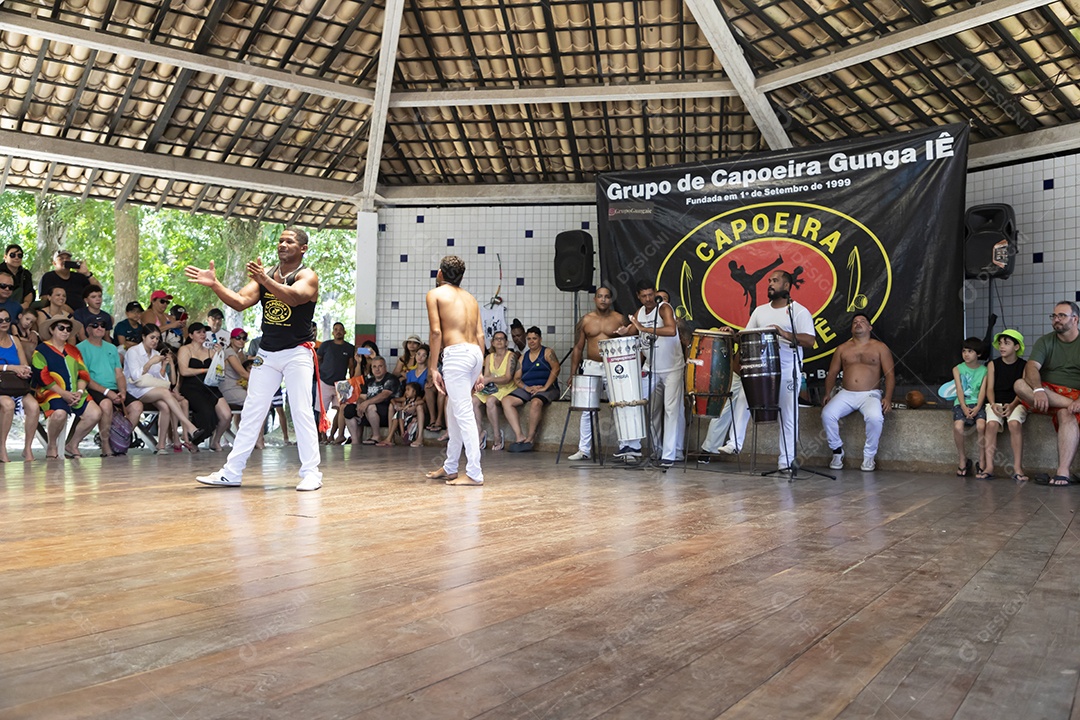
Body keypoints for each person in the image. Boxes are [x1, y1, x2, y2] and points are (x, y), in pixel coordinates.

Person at [186, 227, 324, 491]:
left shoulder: (307, 275)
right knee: (252, 411)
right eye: (280, 240)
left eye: (290, 241)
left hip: (298, 352)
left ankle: (311, 473)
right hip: (268, 354)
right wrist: (216, 284)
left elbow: (294, 298)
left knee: (301, 409)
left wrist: (265, 280)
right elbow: (239, 301)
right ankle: (232, 471)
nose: (282, 244)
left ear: (303, 248)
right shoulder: (267, 274)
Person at [744, 270, 815, 471]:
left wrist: (783, 333)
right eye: (769, 281)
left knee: (788, 415)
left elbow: (809, 340)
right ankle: (735, 443)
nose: (770, 284)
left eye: (775, 281)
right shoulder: (759, 311)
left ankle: (786, 461)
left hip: (788, 369)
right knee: (743, 399)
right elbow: (748, 335)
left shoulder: (798, 312)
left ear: (786, 286)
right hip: (764, 370)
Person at [425, 255, 486, 485]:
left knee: (463, 413)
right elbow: (480, 335)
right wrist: (479, 370)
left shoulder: (435, 294)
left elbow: (436, 333)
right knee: (453, 409)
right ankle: (450, 466)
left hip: (457, 355)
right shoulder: (471, 298)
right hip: (474, 354)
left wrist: (433, 367)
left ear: (440, 274)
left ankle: (474, 473)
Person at [567, 286, 641, 461]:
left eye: (607, 297)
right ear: (595, 299)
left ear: (610, 300)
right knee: (587, 409)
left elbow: (630, 341)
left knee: (621, 405)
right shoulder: (586, 320)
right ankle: (584, 449)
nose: (603, 300)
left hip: (614, 366)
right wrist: (572, 374)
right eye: (600, 296)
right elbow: (578, 348)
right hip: (591, 366)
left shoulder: (619, 318)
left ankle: (626, 448)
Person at [616, 280, 682, 468]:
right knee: (635, 402)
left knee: (670, 411)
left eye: (650, 294)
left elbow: (671, 329)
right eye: (644, 296)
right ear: (638, 296)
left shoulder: (664, 308)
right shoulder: (639, 313)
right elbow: (631, 330)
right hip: (650, 368)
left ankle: (668, 455)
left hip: (672, 369)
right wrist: (623, 332)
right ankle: (635, 446)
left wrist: (645, 329)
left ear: (655, 293)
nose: (648, 299)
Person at [1014, 301, 1080, 486]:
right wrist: (1038, 389)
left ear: (1075, 319)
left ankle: (1063, 472)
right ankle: (1067, 403)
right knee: (1019, 384)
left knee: (1066, 414)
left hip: (1075, 394)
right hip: (1046, 394)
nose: (1056, 320)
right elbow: (1032, 366)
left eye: (1061, 316)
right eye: (1054, 316)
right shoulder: (1045, 341)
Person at [820, 313, 895, 472]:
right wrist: (828, 393)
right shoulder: (842, 348)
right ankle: (837, 451)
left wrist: (888, 398)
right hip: (846, 393)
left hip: (870, 394)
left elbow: (890, 374)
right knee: (827, 414)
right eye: (855, 322)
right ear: (851, 328)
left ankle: (869, 456)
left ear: (870, 327)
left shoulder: (880, 347)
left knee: (875, 418)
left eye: (862, 322)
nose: (858, 324)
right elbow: (832, 373)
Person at [31, 314, 102, 459]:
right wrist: (63, 394)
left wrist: (79, 391)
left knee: (95, 413)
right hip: (51, 392)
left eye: (68, 329)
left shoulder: (74, 350)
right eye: (61, 328)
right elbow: (43, 377)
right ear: (52, 330)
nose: (65, 331)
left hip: (76, 391)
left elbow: (83, 374)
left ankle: (73, 444)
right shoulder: (41, 350)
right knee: (59, 414)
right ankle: (52, 445)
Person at [123, 327, 198, 453]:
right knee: (165, 393)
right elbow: (135, 376)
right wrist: (149, 363)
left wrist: (163, 366)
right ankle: (189, 426)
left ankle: (161, 445)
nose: (155, 341)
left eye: (157, 338)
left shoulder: (156, 354)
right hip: (134, 389)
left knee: (165, 405)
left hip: (152, 389)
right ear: (143, 337)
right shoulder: (133, 351)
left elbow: (162, 380)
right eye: (152, 337)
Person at [77, 318, 136, 457]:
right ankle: (105, 445)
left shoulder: (111, 348)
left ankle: (119, 440)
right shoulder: (80, 348)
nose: (100, 328)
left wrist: (122, 391)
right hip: (93, 387)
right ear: (88, 329)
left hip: (114, 388)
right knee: (106, 404)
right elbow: (85, 378)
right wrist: (107, 392)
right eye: (95, 325)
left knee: (137, 406)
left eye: (103, 325)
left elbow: (119, 374)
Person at [502, 326, 559, 454]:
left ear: (540, 339)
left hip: (548, 388)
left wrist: (545, 387)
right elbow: (517, 379)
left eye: (534, 338)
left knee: (535, 402)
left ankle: (530, 438)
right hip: (529, 388)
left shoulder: (547, 352)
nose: (531, 341)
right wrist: (527, 388)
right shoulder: (523, 357)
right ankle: (519, 436)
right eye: (529, 339)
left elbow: (556, 369)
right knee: (506, 401)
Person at [981, 329, 1028, 481]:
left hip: (1016, 402)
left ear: (1016, 347)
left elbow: (1023, 390)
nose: (1002, 346)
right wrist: (993, 404)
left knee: (1014, 424)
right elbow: (989, 388)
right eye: (1000, 343)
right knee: (992, 425)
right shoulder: (993, 365)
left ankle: (1017, 468)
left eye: (1006, 343)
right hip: (996, 402)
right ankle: (989, 467)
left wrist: (1013, 405)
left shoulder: (1024, 366)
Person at [177, 322, 232, 451]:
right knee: (207, 413)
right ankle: (195, 441)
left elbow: (220, 369)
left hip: (210, 386)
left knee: (226, 414)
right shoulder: (185, 349)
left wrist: (220, 354)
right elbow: (184, 371)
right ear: (191, 335)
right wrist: (205, 370)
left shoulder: (209, 351)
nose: (202, 334)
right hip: (191, 387)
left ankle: (215, 440)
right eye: (198, 332)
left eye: (203, 332)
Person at [698, 327, 751, 461]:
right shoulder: (755, 318)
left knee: (742, 410)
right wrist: (732, 334)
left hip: (753, 377)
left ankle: (734, 444)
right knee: (722, 409)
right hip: (736, 375)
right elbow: (739, 340)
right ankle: (708, 449)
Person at [0, 307, 39, 462]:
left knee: (34, 406)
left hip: (14, 385)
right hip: (1, 386)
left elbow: (23, 364)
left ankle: (27, 448)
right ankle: (2, 446)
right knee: (8, 405)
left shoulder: (14, 340)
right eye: (0, 320)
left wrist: (24, 370)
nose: (4, 323)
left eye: (7, 320)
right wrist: (10, 368)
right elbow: (14, 366)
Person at [472, 331, 516, 452]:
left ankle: (497, 435)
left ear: (506, 342)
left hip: (506, 387)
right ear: (492, 342)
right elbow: (486, 377)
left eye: (502, 339)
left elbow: (508, 378)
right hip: (492, 387)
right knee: (474, 400)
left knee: (490, 401)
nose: (499, 341)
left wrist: (490, 379)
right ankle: (480, 432)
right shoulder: (489, 357)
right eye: (496, 339)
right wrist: (482, 386)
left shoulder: (511, 356)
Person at [951, 337, 988, 477]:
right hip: (961, 403)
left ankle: (982, 460)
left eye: (970, 351)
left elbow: (983, 391)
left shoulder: (984, 370)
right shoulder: (957, 369)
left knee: (981, 426)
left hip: (978, 403)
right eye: (964, 351)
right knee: (958, 427)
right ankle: (962, 459)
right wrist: (964, 407)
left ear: (978, 354)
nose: (966, 354)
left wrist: (978, 407)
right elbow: (959, 389)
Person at [345, 355, 399, 444]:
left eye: (380, 366)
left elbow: (384, 395)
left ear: (385, 367)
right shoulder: (369, 381)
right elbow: (362, 397)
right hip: (368, 412)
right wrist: (360, 404)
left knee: (370, 406)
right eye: (374, 366)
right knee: (349, 409)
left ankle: (376, 436)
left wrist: (366, 403)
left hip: (386, 412)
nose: (377, 369)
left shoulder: (390, 379)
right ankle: (355, 440)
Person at [317, 321, 355, 444]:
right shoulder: (325, 345)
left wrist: (352, 381)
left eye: (340, 329)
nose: (338, 331)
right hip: (324, 381)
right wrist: (320, 374)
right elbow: (317, 360)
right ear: (333, 332)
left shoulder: (349, 348)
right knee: (322, 411)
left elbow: (351, 367)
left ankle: (333, 435)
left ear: (344, 332)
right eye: (336, 329)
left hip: (342, 384)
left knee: (341, 410)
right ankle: (322, 437)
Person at [378, 381, 425, 447]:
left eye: (408, 390)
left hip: (411, 422)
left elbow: (422, 401)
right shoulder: (405, 399)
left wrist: (409, 405)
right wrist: (396, 406)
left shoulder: (417, 399)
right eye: (405, 390)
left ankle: (392, 437)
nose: (406, 392)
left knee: (399, 413)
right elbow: (393, 399)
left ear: (414, 392)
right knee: (399, 413)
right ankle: (396, 436)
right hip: (403, 421)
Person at [0, 244, 34, 309]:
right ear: (5, 257)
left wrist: (26, 304)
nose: (16, 258)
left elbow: (29, 291)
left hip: (20, 307)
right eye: (12, 255)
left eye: (19, 255)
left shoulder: (26, 274)